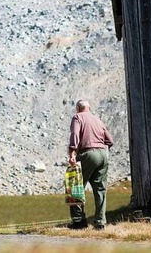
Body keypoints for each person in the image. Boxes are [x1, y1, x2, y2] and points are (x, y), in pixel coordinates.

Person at [67, 99, 113, 230]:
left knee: (75, 186)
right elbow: (109, 140)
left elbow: (75, 135)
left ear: (77, 108)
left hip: (87, 153)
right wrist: (103, 152)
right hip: (103, 155)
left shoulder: (77, 117)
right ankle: (100, 223)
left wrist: (72, 153)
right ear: (89, 107)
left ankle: (79, 222)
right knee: (100, 189)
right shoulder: (97, 119)